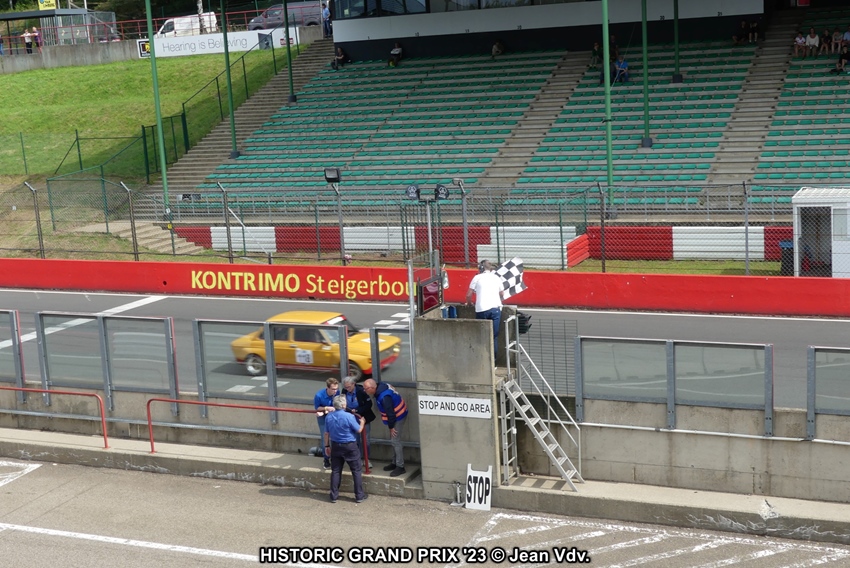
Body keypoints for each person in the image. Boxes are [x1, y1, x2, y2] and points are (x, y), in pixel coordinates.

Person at [324, 395, 367, 503]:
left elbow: (326, 433)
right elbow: (358, 430)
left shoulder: (329, 417)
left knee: (336, 471)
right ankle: (359, 496)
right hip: (350, 446)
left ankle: (333, 496)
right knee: (356, 470)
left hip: (335, 445)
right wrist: (362, 422)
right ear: (343, 405)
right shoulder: (349, 416)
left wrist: (327, 446)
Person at [362, 379, 407, 477]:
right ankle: (395, 462)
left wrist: (391, 427)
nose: (364, 391)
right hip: (397, 414)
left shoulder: (384, 397)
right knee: (393, 441)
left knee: (395, 441)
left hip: (398, 416)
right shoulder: (381, 386)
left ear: (372, 388)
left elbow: (391, 414)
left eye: (366, 389)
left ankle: (400, 466)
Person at [466, 259, 505, 357]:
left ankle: (481, 357)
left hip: (481, 309)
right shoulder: (496, 278)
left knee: (481, 335)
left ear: (481, 268)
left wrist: (469, 303)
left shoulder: (477, 277)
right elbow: (502, 293)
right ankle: (493, 359)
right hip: (495, 309)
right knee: (494, 336)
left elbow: (468, 295)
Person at [341, 375, 375, 467]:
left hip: (362, 417)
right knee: (355, 440)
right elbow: (342, 403)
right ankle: (357, 459)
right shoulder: (344, 391)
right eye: (346, 387)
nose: (347, 389)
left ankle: (366, 459)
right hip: (351, 418)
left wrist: (358, 410)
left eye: (349, 387)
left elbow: (369, 404)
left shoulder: (361, 391)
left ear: (354, 384)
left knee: (366, 440)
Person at [314, 377, 339, 469]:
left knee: (335, 436)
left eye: (336, 389)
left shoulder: (337, 393)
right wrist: (326, 408)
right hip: (323, 417)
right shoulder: (319, 395)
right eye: (333, 389)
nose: (335, 391)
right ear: (327, 388)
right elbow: (317, 408)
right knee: (325, 437)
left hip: (334, 416)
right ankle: (326, 459)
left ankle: (335, 458)